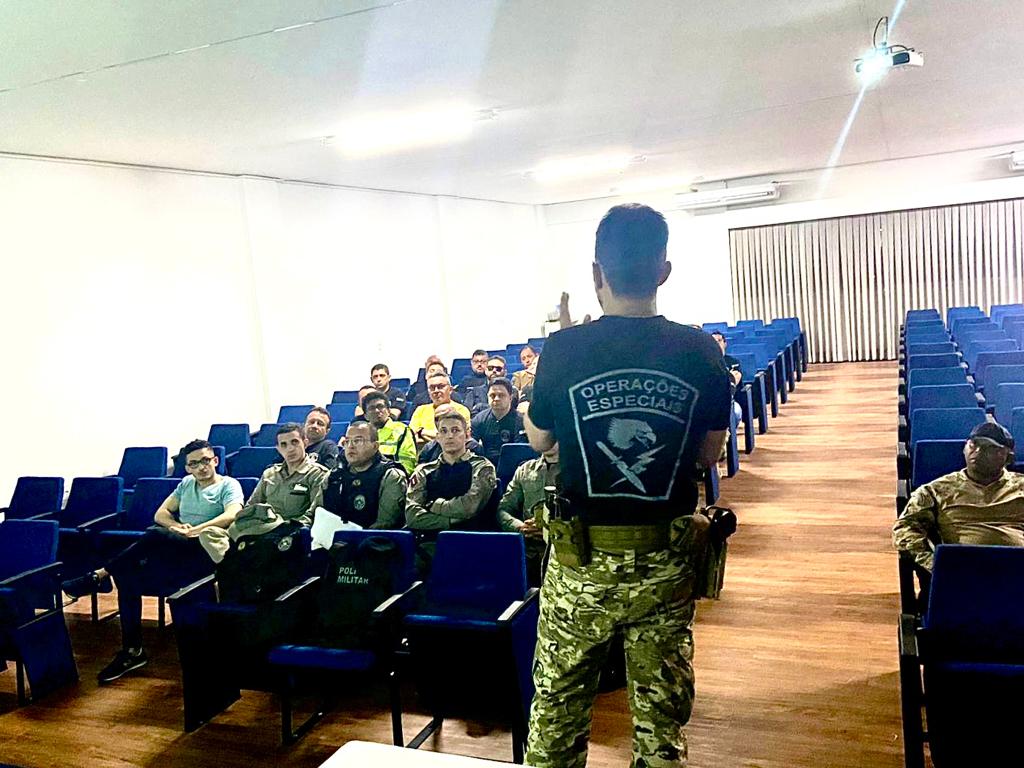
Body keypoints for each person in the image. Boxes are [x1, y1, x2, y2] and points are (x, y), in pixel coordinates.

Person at [524, 203, 731, 768]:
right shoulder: (700, 350)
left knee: (557, 716)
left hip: (579, 566)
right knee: (660, 724)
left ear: (597, 273)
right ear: (664, 271)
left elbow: (541, 440)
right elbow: (709, 454)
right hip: (664, 561)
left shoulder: (563, 349)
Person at [62, 439, 244, 683]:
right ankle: (133, 650)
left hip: (206, 552)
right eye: (193, 464)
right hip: (179, 548)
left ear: (215, 461)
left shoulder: (228, 484)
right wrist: (177, 527)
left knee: (154, 534)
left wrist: (196, 529)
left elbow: (232, 514)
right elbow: (161, 514)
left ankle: (98, 575)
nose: (201, 467)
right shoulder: (186, 483)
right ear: (187, 467)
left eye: (205, 461)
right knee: (127, 576)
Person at [893, 421, 1024, 572]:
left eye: (990, 448)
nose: (978, 451)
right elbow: (906, 527)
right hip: (962, 572)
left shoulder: (1020, 486)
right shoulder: (936, 490)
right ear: (964, 448)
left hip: (1018, 569)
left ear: (1008, 457)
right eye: (973, 444)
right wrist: (935, 563)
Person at [200, 425, 328, 566]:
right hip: (261, 526)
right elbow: (251, 506)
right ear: (278, 449)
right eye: (283, 445)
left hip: (286, 530)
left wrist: (292, 530)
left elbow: (314, 513)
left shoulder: (317, 474)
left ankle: (237, 565)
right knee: (210, 533)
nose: (290, 449)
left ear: (305, 442)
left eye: (295, 442)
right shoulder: (270, 474)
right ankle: (239, 564)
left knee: (261, 545)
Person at [405, 406, 497, 572]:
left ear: (466, 435)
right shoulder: (424, 471)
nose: (449, 436)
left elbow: (470, 507)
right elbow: (412, 516)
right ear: (437, 437)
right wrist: (450, 521)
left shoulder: (482, 467)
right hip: (429, 545)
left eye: (455, 430)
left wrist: (435, 506)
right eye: (444, 431)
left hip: (472, 543)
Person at [320, 420, 408, 529]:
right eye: (347, 441)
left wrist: (348, 536)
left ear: (375, 446)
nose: (350, 446)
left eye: (358, 441)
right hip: (331, 535)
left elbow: (386, 524)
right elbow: (315, 512)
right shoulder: (334, 475)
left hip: (373, 538)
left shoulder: (390, 476)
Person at [497, 442, 558, 586]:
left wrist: (552, 529)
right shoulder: (525, 470)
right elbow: (503, 509)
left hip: (563, 553)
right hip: (528, 553)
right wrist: (520, 527)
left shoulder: (579, 472)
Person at [471, 377, 525, 466]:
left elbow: (522, 452)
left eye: (501, 395)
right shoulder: (479, 420)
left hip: (514, 466)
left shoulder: (522, 421)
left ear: (510, 397)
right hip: (485, 465)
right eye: (492, 395)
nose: (496, 398)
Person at [409, 372, 473, 447]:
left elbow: (457, 438)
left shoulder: (461, 410)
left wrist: (421, 432)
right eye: (432, 388)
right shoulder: (420, 410)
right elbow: (411, 437)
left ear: (450, 389)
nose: (436, 391)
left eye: (440, 386)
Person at [362, 389, 418, 474]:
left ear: (388, 411)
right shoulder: (361, 433)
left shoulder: (402, 431)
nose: (377, 411)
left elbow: (407, 465)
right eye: (371, 408)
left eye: (380, 406)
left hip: (393, 478)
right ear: (365, 416)